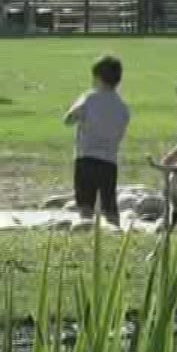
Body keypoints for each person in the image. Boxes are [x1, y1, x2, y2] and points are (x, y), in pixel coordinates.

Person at [64, 55, 131, 225]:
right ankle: (115, 229)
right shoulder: (122, 106)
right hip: (109, 160)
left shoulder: (89, 98)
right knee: (109, 201)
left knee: (86, 203)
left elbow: (69, 119)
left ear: (97, 77)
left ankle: (85, 229)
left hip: (86, 157)